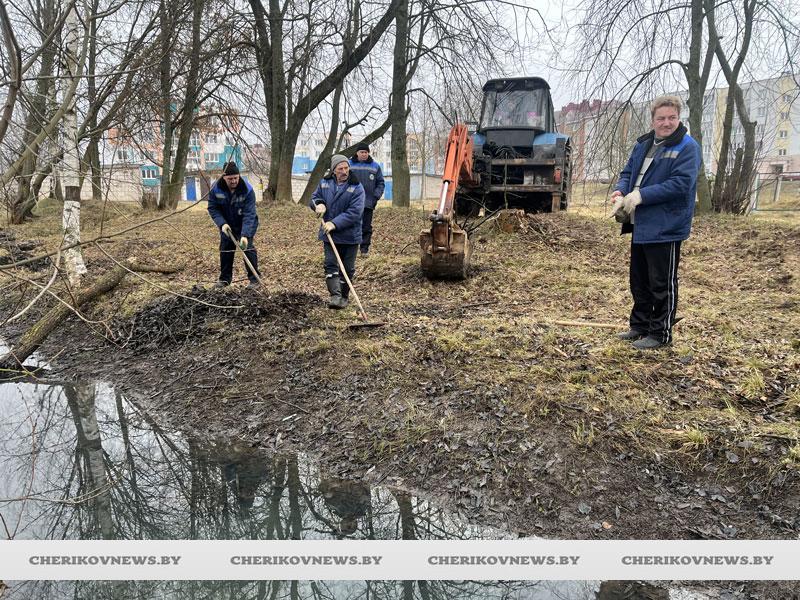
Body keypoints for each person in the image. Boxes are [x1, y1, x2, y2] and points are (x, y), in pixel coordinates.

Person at [610, 95, 700, 350]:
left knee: (661, 283)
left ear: (679, 118)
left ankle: (661, 334)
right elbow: (628, 172)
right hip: (640, 223)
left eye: (672, 117)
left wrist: (642, 195)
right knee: (639, 280)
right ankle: (640, 326)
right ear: (653, 120)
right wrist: (620, 191)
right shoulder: (644, 144)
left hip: (666, 224)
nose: (666, 123)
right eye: (661, 118)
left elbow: (681, 184)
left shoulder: (687, 147)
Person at [309, 154, 365, 309]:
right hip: (330, 235)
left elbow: (355, 212)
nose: (344, 171)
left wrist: (334, 223)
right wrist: (318, 205)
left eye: (346, 168)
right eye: (340, 169)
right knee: (330, 264)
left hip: (350, 236)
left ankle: (344, 297)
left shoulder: (357, 187)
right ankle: (335, 296)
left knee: (347, 268)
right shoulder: (325, 183)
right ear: (333, 170)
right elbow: (314, 198)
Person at [207, 161, 261, 288]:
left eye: (236, 178)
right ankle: (224, 279)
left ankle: (255, 280)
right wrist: (222, 224)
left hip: (245, 224)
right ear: (224, 177)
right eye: (230, 179)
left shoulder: (247, 189)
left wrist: (245, 235)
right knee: (225, 249)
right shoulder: (216, 189)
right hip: (227, 225)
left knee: (248, 248)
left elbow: (249, 213)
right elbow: (213, 208)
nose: (234, 181)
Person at [348, 142, 385, 256]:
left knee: (366, 227)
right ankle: (350, 248)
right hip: (351, 202)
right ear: (357, 153)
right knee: (351, 225)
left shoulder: (375, 166)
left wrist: (375, 197)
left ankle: (364, 249)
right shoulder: (348, 165)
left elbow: (380, 183)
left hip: (368, 202)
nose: (364, 154)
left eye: (366, 152)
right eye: (362, 152)